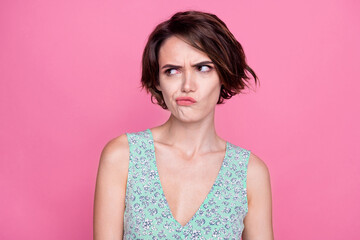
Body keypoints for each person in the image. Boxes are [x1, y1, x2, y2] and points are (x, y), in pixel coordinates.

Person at [93, 10, 274, 239]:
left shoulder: (249, 174)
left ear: (224, 74)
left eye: (203, 68)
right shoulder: (122, 157)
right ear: (158, 81)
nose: (187, 85)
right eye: (172, 71)